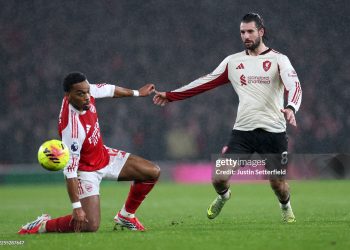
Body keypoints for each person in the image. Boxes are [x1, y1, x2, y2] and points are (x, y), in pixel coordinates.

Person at [153, 13, 301, 223]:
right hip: (243, 133)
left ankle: (285, 205)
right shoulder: (233, 62)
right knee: (218, 178)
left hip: (274, 133)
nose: (246, 36)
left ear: (261, 32)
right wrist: (171, 95)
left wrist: (291, 107)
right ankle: (224, 196)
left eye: (250, 31)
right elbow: (205, 81)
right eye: (242, 32)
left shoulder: (279, 60)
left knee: (278, 184)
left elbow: (294, 85)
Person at [18, 72, 160, 234]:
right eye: (81, 94)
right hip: (86, 171)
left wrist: (137, 93)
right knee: (90, 224)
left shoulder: (86, 91)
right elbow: (70, 171)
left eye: (87, 91)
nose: (86, 96)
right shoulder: (72, 129)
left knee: (152, 172)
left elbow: (108, 89)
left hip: (103, 155)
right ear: (68, 95)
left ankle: (126, 216)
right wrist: (76, 207)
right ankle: (41, 225)